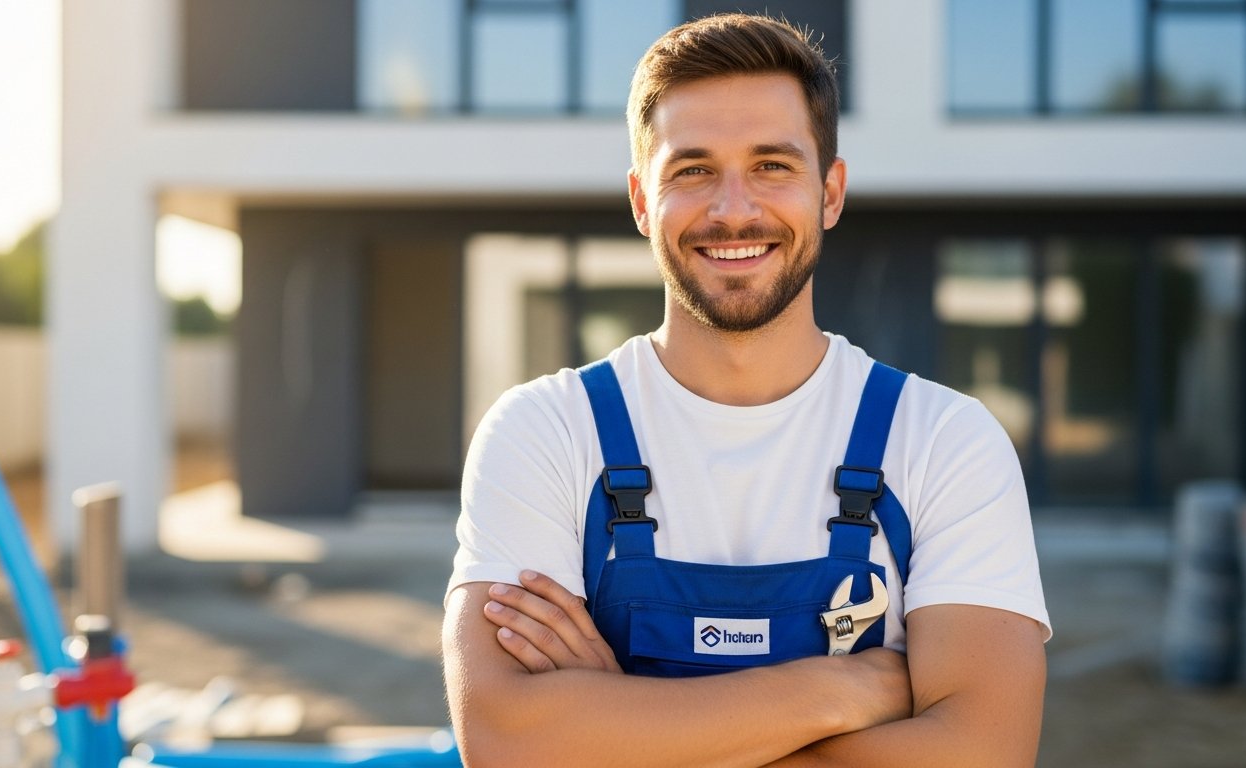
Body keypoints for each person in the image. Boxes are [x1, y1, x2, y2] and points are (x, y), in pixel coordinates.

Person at [442, 12, 1050, 767]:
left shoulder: (943, 441)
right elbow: (505, 740)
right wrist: (839, 692)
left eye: (772, 165)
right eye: (692, 169)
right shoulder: (546, 432)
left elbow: (984, 753)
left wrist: (622, 732)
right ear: (640, 201)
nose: (734, 209)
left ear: (830, 192)